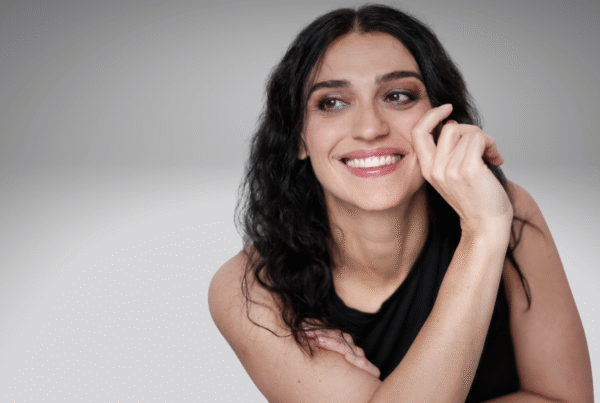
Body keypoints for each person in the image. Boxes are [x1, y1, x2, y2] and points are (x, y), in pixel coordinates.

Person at [208, 4, 593, 402]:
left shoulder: (503, 212)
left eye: (397, 96)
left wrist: (483, 232)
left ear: (440, 117)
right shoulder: (247, 287)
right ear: (298, 137)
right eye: (332, 102)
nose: (370, 128)